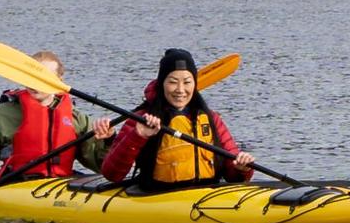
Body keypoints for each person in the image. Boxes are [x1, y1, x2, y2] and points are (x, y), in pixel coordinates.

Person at [96, 49, 255, 193]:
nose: (180, 90)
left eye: (187, 82)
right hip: (159, 196)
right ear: (162, 84)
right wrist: (138, 135)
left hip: (208, 193)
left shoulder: (211, 118)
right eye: (172, 82)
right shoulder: (141, 118)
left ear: (195, 84)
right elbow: (112, 174)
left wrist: (242, 169)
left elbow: (234, 176)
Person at [0, 54, 101, 188]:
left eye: (42, 77)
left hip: (60, 184)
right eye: (31, 76)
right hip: (16, 185)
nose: (34, 83)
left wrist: (108, 139)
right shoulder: (2, 115)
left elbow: (102, 166)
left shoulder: (76, 118)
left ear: (59, 80)